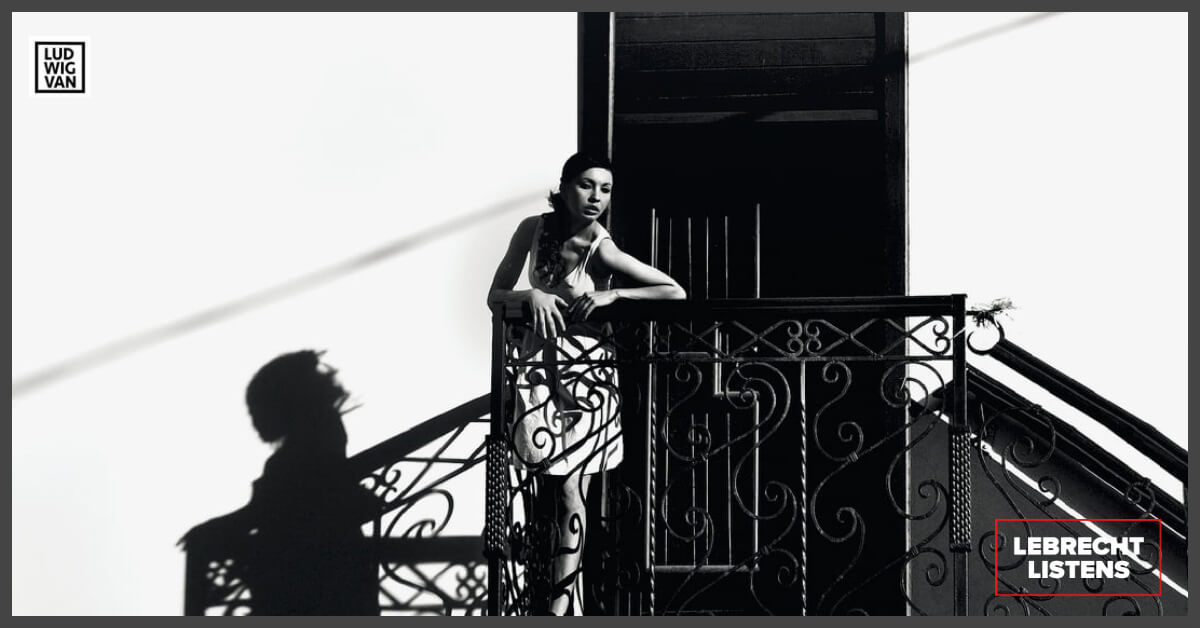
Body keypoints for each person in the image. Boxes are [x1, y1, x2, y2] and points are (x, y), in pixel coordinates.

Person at [488, 153, 686, 614]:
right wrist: (531, 295)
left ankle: (561, 608)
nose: (597, 197)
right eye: (586, 185)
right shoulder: (532, 229)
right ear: (564, 187)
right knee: (542, 482)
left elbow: (673, 291)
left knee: (572, 491)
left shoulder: (601, 246)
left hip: (585, 376)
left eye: (606, 189)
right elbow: (495, 297)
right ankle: (555, 593)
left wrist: (614, 293)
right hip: (538, 371)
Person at [180, 350, 380, 615]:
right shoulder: (322, 437)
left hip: (310, 581)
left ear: (283, 404)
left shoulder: (301, 453)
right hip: (327, 577)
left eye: (257, 409)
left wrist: (213, 530)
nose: (254, 420)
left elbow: (270, 510)